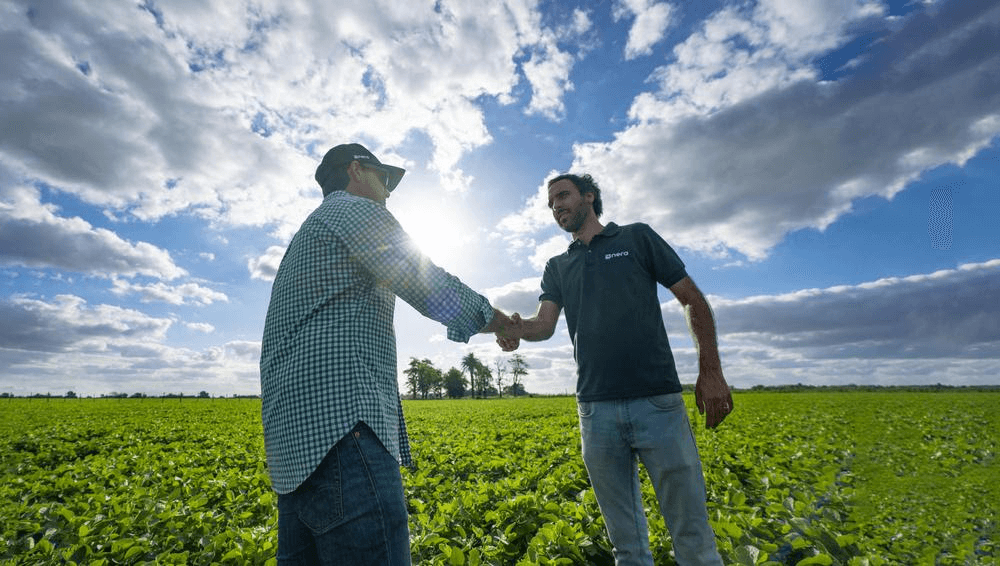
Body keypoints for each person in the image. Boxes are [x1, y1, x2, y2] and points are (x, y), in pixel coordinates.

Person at [260, 143, 518, 565]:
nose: (388, 191)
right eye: (384, 178)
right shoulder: (353, 210)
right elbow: (426, 281)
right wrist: (500, 322)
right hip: (343, 432)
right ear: (356, 170)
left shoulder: (306, 235)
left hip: (292, 451)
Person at [497, 173, 732, 566]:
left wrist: (711, 371)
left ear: (589, 196)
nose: (556, 206)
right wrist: (518, 329)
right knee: (627, 548)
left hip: (657, 403)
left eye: (563, 195)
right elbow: (544, 324)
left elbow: (691, 299)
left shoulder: (636, 238)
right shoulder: (558, 265)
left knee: (693, 539)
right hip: (596, 412)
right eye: (551, 203)